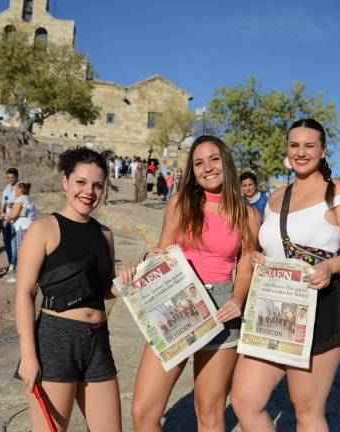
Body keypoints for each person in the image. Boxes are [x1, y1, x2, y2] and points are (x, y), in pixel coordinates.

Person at [231, 119, 340, 431]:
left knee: (306, 410)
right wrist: (260, 259)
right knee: (244, 400)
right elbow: (271, 248)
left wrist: (330, 267)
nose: (301, 152)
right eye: (295, 145)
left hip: (319, 305)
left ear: (322, 151)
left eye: (310, 145)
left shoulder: (338, 192)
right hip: (272, 306)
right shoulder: (277, 196)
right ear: (287, 150)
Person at [118, 135, 259, 431]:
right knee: (144, 412)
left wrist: (238, 300)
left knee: (209, 414)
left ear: (226, 163)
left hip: (222, 307)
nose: (207, 167)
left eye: (214, 159)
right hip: (176, 302)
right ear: (192, 170)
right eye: (199, 162)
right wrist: (148, 257)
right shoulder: (180, 203)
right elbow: (160, 251)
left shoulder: (247, 213)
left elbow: (245, 265)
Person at [15, 147, 121, 431]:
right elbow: (25, 293)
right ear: (66, 182)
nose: (89, 191)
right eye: (81, 182)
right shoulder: (43, 229)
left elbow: (105, 290)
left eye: (98, 185)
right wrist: (28, 356)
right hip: (56, 340)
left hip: (98, 341)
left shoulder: (105, 235)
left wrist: (126, 282)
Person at [3, 182, 37, 283]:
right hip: (29, 227)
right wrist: (13, 206)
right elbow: (23, 212)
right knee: (28, 252)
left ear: (20, 190)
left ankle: (21, 276)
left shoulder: (20, 199)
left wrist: (5, 217)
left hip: (23, 229)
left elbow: (14, 214)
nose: (14, 191)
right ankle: (30, 275)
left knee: (21, 253)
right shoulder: (27, 199)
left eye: (16, 189)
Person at [0, 168, 20, 273]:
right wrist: (1, 216)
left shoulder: (21, 187)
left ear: (17, 176)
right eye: (9, 177)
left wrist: (13, 205)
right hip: (6, 219)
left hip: (16, 219)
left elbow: (22, 203)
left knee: (15, 242)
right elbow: (3, 204)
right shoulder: (6, 189)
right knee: (7, 242)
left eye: (12, 177)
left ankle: (16, 264)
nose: (10, 179)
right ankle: (11, 263)